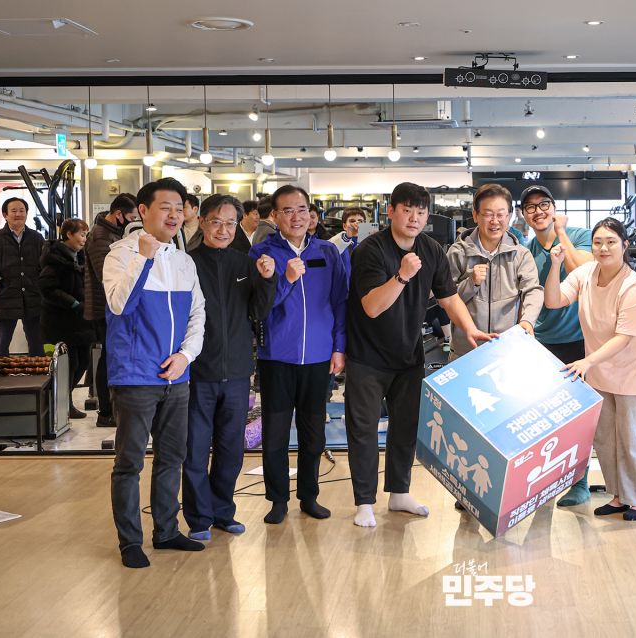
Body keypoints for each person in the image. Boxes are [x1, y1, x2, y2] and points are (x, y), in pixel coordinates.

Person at [345, 182, 493, 528]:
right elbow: (371, 306)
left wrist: (469, 328)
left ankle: (399, 492)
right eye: (407, 210)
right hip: (367, 356)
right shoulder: (370, 250)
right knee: (364, 430)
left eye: (421, 212)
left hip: (408, 355)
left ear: (427, 216)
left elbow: (448, 297)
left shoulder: (430, 248)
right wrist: (402, 275)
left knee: (406, 426)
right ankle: (364, 502)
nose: (414, 217)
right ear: (391, 211)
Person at [104, 177, 206, 568]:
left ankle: (166, 531)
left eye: (179, 208)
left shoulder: (183, 261)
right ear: (144, 211)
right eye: (166, 207)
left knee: (171, 458)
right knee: (129, 462)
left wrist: (185, 356)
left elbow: (198, 314)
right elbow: (119, 305)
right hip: (134, 377)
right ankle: (130, 541)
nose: (174, 215)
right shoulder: (120, 255)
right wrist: (144, 259)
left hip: (176, 377)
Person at [544, 217, 636, 522]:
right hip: (599, 367)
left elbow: (625, 337)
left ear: (624, 245)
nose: (603, 248)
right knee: (606, 438)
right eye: (598, 242)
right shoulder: (585, 273)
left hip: (632, 368)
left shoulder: (633, 285)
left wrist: (588, 361)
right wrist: (555, 266)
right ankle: (619, 495)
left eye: (611, 242)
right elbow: (554, 301)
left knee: (632, 438)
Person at [249, 185, 348, 525]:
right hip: (276, 357)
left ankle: (309, 495)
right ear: (275, 216)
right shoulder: (262, 253)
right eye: (288, 211)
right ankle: (277, 499)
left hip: (319, 358)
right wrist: (287, 280)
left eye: (302, 209)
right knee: (275, 434)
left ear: (311, 213)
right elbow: (259, 308)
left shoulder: (327, 252)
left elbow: (340, 302)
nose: (296, 217)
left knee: (313, 433)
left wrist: (339, 347)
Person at [183, 195, 276, 540]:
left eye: (230, 224)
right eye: (216, 222)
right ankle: (198, 518)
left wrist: (267, 280)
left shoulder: (245, 263)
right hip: (198, 372)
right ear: (202, 222)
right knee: (195, 449)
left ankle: (223, 511)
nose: (223, 230)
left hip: (237, 371)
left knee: (231, 449)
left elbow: (259, 312)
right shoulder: (187, 263)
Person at [520, 184, 595, 506]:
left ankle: (580, 482)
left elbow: (582, 271)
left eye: (544, 204)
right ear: (524, 215)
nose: (538, 211)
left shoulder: (579, 235)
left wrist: (561, 233)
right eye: (530, 207)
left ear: (554, 207)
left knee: (577, 417)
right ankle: (546, 481)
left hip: (578, 340)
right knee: (542, 419)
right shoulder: (526, 250)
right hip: (541, 341)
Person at [447, 182, 542, 356]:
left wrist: (528, 321)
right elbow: (447, 299)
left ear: (510, 216)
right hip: (466, 351)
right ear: (475, 215)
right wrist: (471, 283)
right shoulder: (457, 252)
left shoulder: (521, 254)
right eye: (488, 214)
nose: (495, 221)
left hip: (507, 350)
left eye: (501, 214)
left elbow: (533, 290)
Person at [85, 194, 137, 426]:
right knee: (108, 356)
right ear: (118, 214)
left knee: (111, 354)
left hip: (112, 304)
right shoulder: (100, 236)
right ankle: (105, 411)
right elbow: (105, 275)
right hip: (104, 305)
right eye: (132, 218)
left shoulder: (113, 233)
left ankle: (111, 409)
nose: (134, 223)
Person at [38, 218, 96, 419]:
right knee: (69, 364)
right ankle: (62, 404)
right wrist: (73, 303)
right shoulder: (54, 259)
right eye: (81, 234)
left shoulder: (80, 257)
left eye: (86, 235)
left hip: (80, 321)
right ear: (69, 234)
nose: (84, 239)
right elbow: (47, 289)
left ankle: (64, 400)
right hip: (61, 322)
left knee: (83, 362)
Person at [0, 197, 45, 356]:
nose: (18, 214)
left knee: (37, 343)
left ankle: (38, 372)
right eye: (14, 211)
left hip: (33, 295)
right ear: (5, 215)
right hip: (6, 295)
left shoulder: (37, 238)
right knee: (1, 344)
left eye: (22, 210)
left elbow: (44, 266)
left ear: (26, 214)